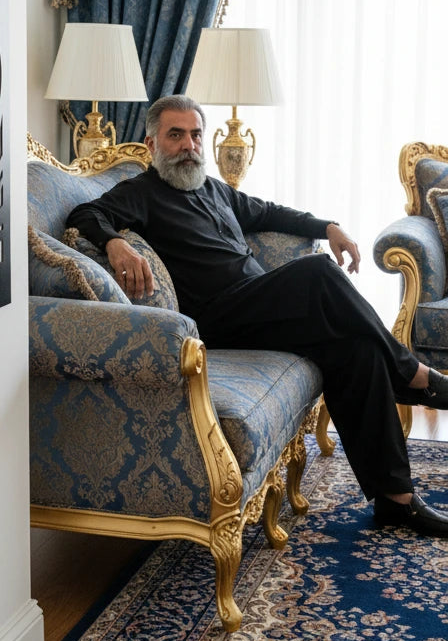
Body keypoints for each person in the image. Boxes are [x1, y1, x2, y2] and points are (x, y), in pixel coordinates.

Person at [67, 94, 448, 536]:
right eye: (175, 135)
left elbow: (268, 211)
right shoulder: (141, 193)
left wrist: (327, 226)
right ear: (152, 144)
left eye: (195, 135)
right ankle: (415, 375)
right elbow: (84, 213)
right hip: (216, 318)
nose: (188, 145)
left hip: (258, 306)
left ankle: (394, 500)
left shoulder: (210, 188)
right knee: (318, 271)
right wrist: (115, 243)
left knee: (357, 349)